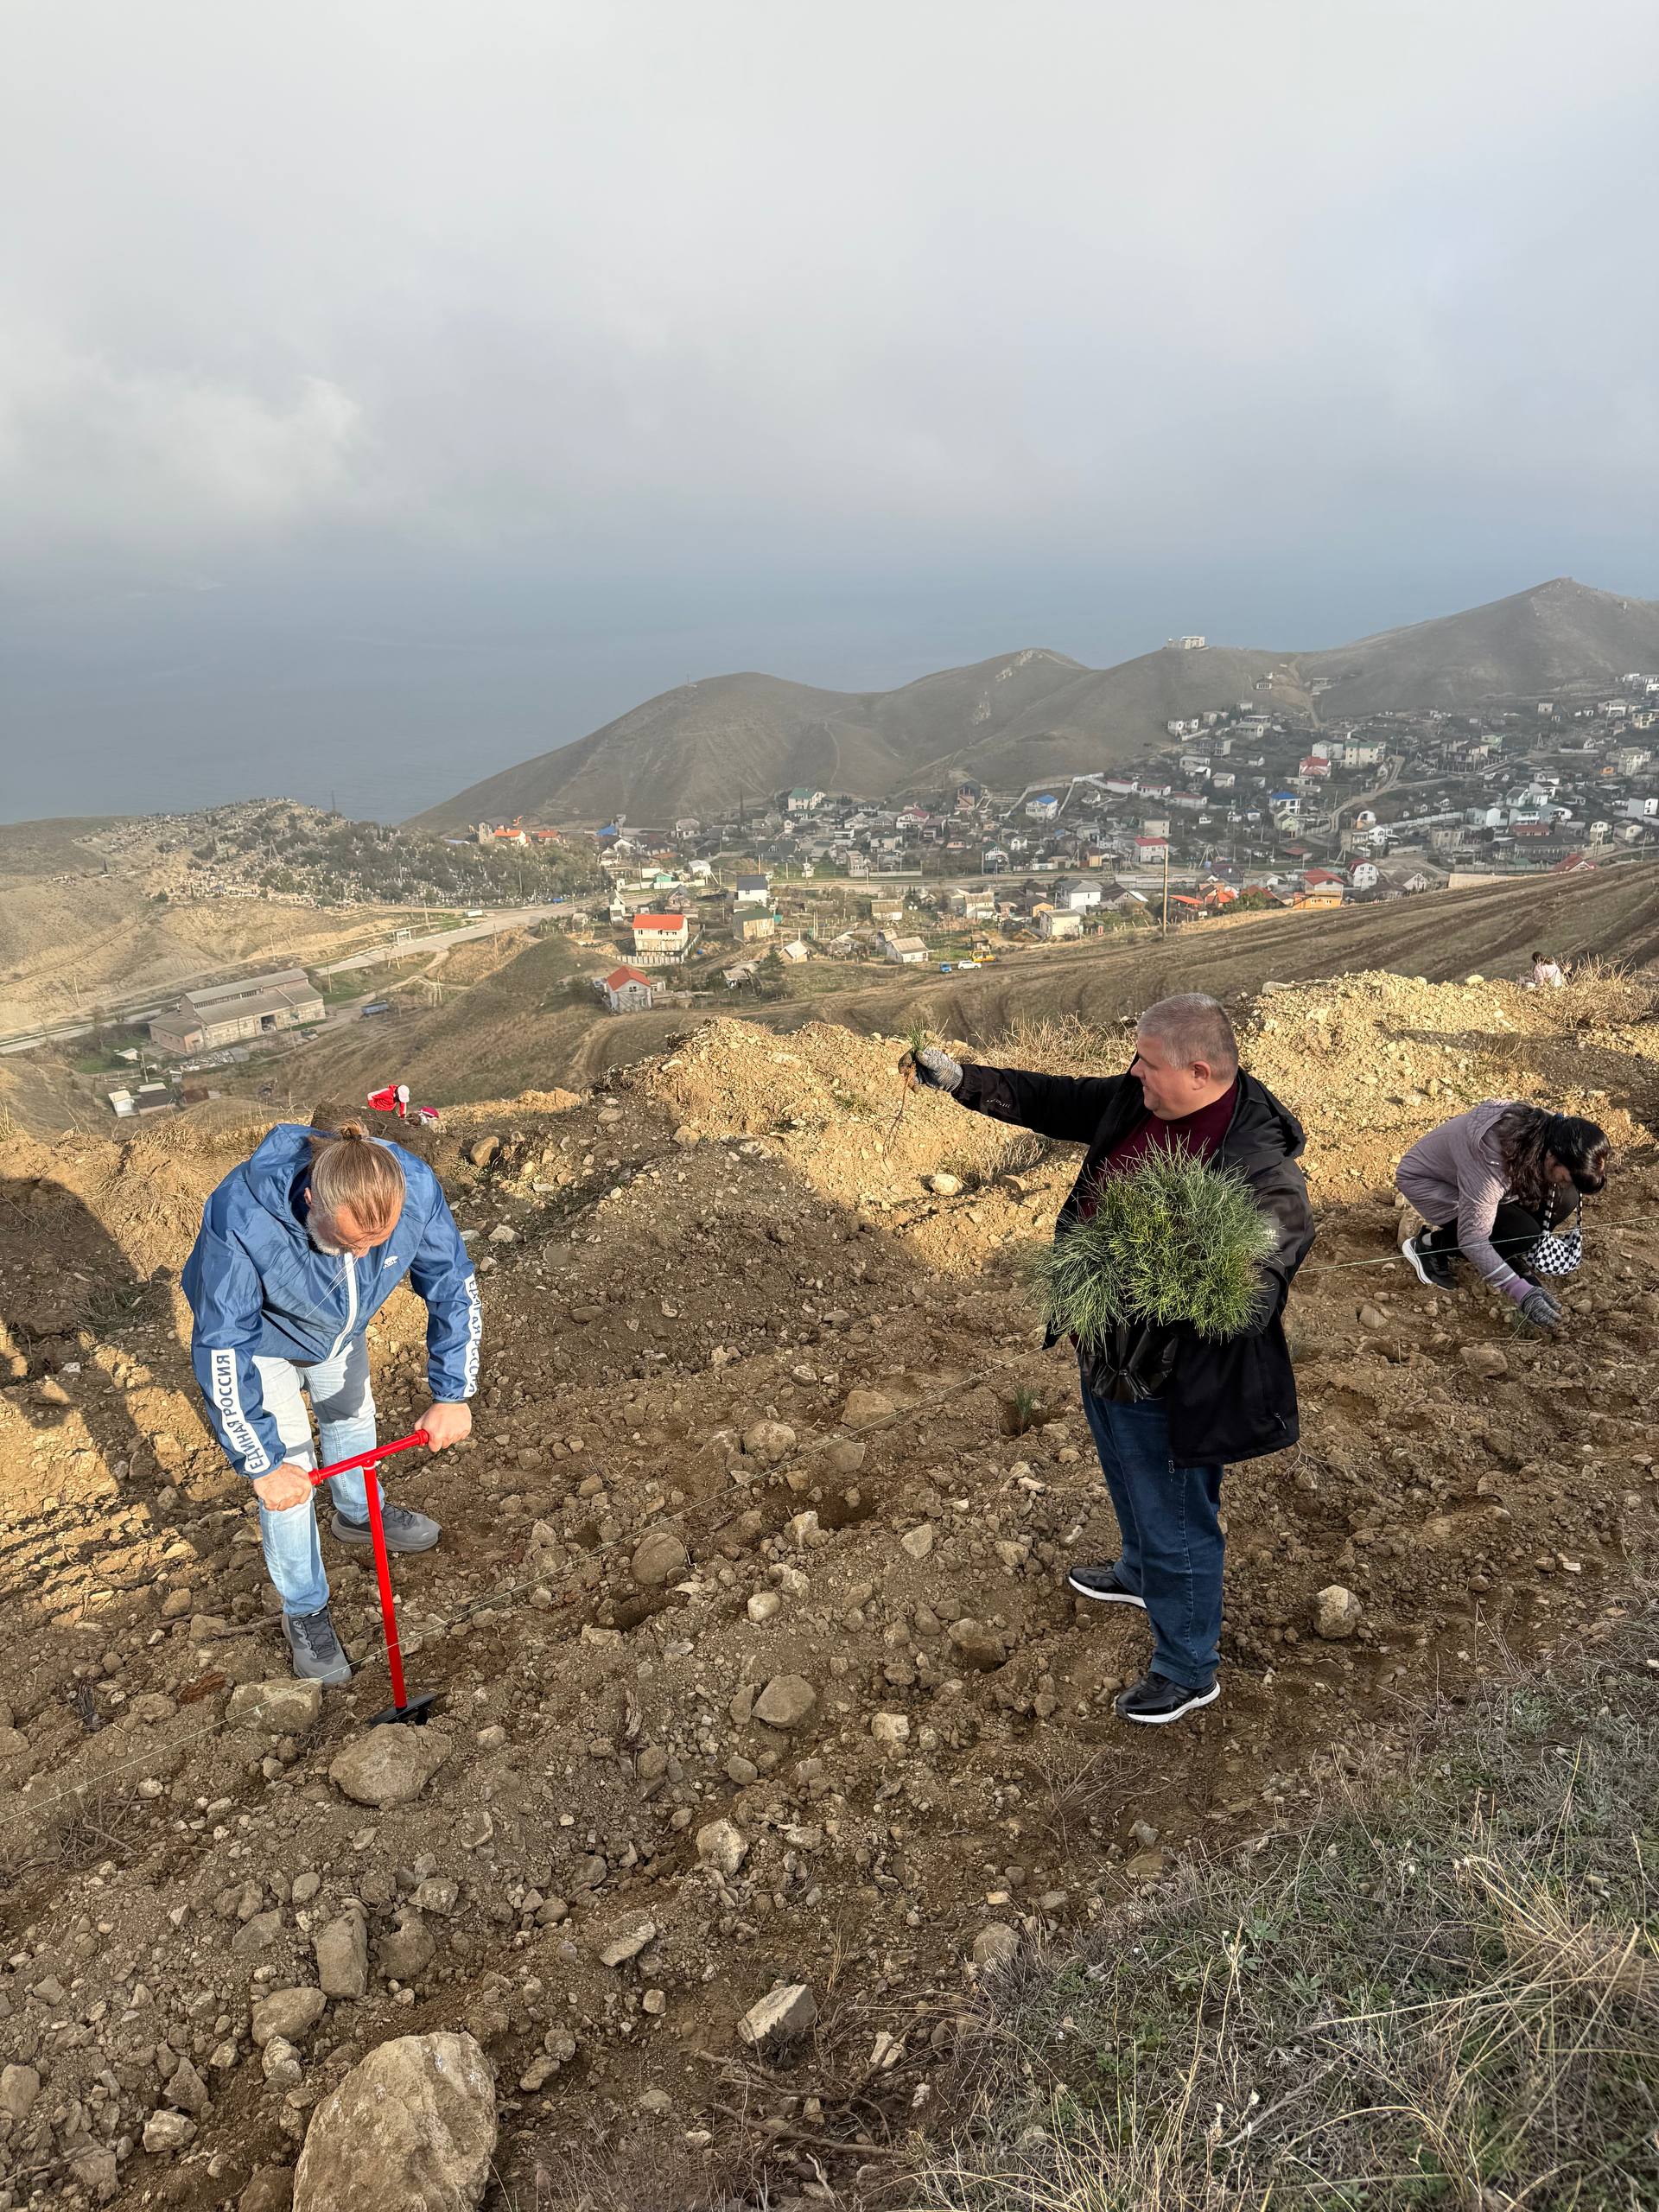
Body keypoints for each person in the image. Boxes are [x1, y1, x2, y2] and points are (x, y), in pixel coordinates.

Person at [910, 994, 1313, 1726]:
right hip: (1104, 1344)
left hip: (1168, 1373)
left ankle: (1187, 1668)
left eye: (1147, 1062)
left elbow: (1252, 1295)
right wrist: (964, 1080)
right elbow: (1059, 1099)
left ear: (1199, 1071)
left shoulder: (1255, 1163)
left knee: (1175, 1516)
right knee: (1125, 1471)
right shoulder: (1142, 1100)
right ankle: (1136, 1571)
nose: (1133, 1073)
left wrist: (1165, 1264)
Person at [182, 1122, 481, 1686]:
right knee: (291, 1470)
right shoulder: (242, 1214)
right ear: (312, 1200)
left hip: (339, 1334)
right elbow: (222, 1344)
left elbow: (452, 1283)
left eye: (376, 1244)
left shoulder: (413, 1185)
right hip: (261, 1339)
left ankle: (359, 1515)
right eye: (349, 1244)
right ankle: (304, 1609)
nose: (364, 1254)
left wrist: (453, 1393)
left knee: (352, 1417)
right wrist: (262, 1464)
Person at [1397, 1102, 1609, 1323]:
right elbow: (1473, 1239)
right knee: (1521, 1233)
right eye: (1565, 1177)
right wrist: (1520, 1291)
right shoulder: (1492, 1160)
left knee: (1566, 1197)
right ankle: (1431, 1246)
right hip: (1433, 1185)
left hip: (1480, 1184)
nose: (1563, 1183)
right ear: (1552, 1156)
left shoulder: (1554, 1131)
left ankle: (1506, 1252)